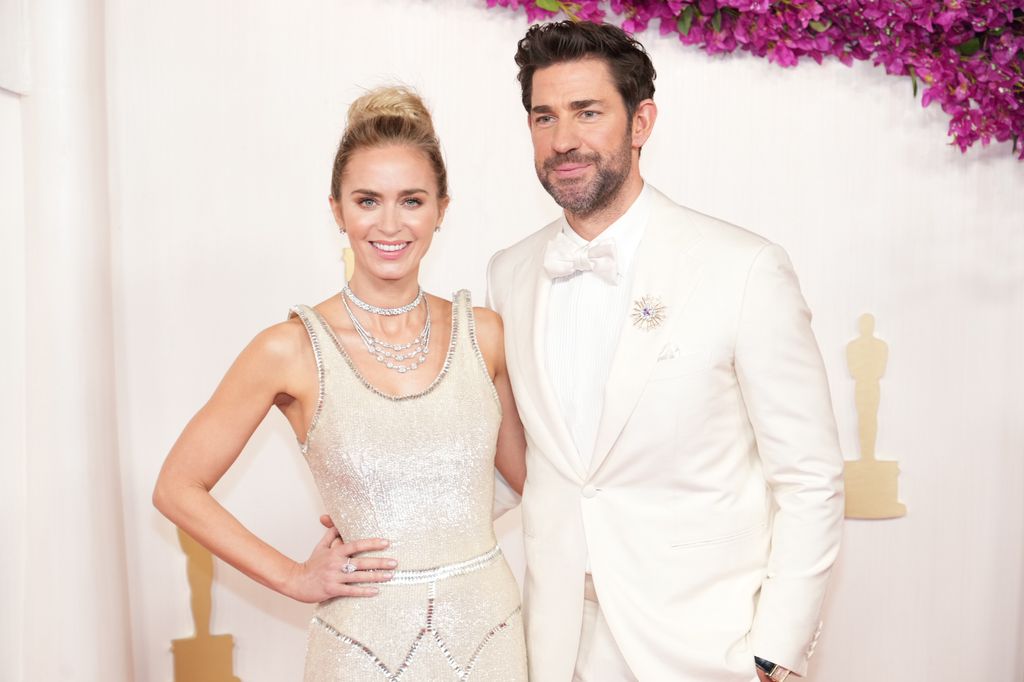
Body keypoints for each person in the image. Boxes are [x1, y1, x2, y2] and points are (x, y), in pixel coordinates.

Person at [485, 21, 845, 682]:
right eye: (544, 117)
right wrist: (396, 510)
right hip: (556, 641)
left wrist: (778, 651)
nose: (562, 140)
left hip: (705, 646)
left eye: (588, 113)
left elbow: (809, 475)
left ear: (641, 121)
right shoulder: (509, 273)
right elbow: (527, 461)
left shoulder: (744, 268)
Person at [153, 86, 528, 681]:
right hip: (363, 651)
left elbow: (531, 479)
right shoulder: (290, 348)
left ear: (441, 209)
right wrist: (294, 578)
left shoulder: (486, 335)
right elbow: (177, 488)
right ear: (337, 210)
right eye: (366, 200)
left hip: (490, 638)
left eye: (411, 200)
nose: (389, 224)